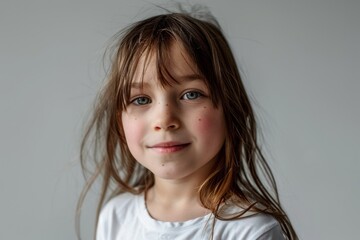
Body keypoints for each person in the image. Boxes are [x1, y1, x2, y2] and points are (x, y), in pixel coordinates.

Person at [77, 5, 298, 240]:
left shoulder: (251, 231)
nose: (164, 120)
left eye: (191, 94)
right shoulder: (115, 217)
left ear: (230, 108)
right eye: (141, 99)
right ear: (119, 122)